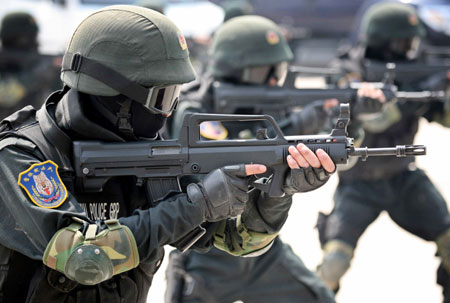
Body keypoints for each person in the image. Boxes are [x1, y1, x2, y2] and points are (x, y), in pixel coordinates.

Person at [0, 5, 336, 303]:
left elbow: (238, 240)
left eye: (176, 97)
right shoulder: (21, 155)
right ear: (112, 95)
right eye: (162, 98)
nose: (167, 112)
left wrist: (276, 194)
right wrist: (196, 204)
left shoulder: (141, 153)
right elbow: (85, 259)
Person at [165, 15, 337, 303]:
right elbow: (226, 162)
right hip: (208, 253)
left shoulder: (259, 106)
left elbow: (297, 146)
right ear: (236, 69)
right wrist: (297, 126)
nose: (273, 80)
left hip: (263, 247)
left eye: (277, 71)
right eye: (265, 71)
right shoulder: (196, 113)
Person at [315, 2, 450, 300]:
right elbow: (373, 121)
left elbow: (444, 118)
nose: (411, 49)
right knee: (333, 264)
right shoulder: (348, 69)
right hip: (358, 185)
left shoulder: (418, 71)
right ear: (384, 42)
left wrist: (442, 90)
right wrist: (413, 96)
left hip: (404, 178)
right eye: (405, 42)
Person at [0, 11, 61, 120]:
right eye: (32, 37)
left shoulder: (36, 64)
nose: (36, 42)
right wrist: (41, 72)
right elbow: (7, 95)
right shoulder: (4, 62)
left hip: (30, 128)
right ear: (19, 39)